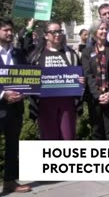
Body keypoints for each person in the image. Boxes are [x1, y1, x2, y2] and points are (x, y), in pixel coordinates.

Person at [28, 22, 83, 140]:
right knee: (49, 138)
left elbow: (80, 75)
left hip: (67, 104)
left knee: (68, 137)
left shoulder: (71, 55)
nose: (57, 34)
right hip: (45, 104)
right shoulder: (37, 56)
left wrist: (81, 80)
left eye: (59, 31)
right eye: (53, 32)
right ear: (46, 35)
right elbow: (30, 80)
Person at [0, 18, 32, 193]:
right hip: (0, 106)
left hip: (15, 109)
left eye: (11, 30)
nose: (10, 33)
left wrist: (23, 92)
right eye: (5, 30)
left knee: (13, 146)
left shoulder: (18, 53)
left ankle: (10, 181)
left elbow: (28, 77)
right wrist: (3, 94)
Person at [82, 20, 109, 140]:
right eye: (101, 29)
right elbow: (87, 74)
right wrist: (97, 95)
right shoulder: (87, 52)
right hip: (95, 99)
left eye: (106, 29)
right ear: (94, 32)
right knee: (96, 131)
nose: (104, 31)